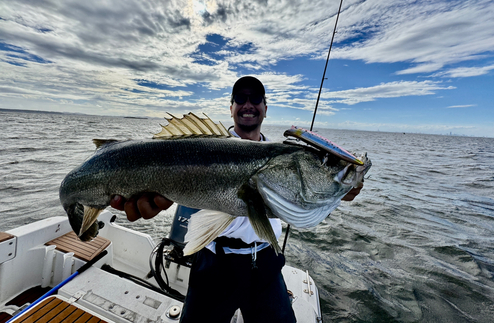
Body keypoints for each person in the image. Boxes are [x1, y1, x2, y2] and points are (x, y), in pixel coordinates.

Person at [111, 76, 362, 322]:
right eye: (240, 98)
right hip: (213, 262)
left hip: (264, 261)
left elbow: (302, 202)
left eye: (256, 98)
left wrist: (336, 192)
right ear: (231, 108)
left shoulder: (281, 157)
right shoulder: (203, 148)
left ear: (265, 108)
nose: (248, 104)